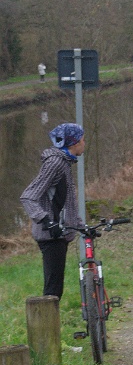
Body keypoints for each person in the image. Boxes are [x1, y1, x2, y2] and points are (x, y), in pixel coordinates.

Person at [20, 123, 86, 299]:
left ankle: (50, 316)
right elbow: (28, 196)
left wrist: (81, 226)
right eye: (82, 139)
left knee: (56, 289)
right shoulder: (55, 163)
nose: (84, 143)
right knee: (52, 292)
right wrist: (47, 221)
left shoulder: (64, 163)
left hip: (59, 234)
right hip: (51, 235)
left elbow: (65, 202)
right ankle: (45, 318)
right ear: (74, 143)